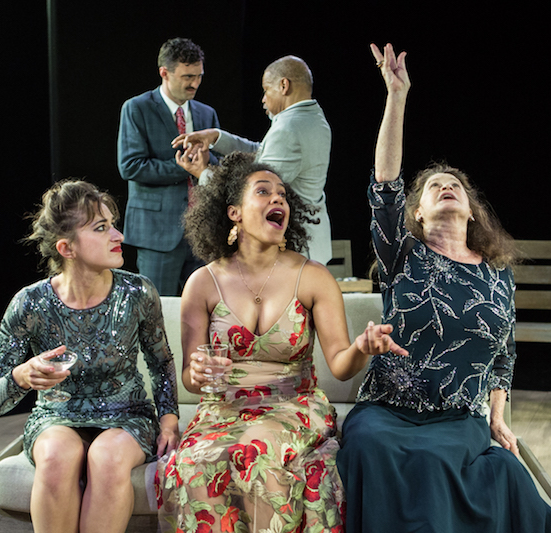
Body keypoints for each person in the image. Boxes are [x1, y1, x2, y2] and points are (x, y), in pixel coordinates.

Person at [334, 43, 551, 532]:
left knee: (450, 468)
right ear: (416, 213)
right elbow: (385, 183)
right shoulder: (403, 254)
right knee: (371, 448)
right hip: (388, 412)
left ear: (472, 209)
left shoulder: (496, 273)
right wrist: (397, 97)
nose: (446, 186)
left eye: (454, 183)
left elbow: (504, 356)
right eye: (433, 186)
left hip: (458, 420)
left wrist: (497, 417)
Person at [155, 152, 405, 532]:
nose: (278, 200)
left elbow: (339, 362)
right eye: (263, 192)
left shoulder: (313, 277)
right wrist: (198, 372)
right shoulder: (202, 283)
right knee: (195, 465)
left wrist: (361, 348)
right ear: (234, 212)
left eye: (283, 195)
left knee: (253, 453)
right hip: (221, 409)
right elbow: (191, 377)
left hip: (292, 404)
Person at [0, 180, 180, 533]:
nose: (118, 235)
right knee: (57, 457)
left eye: (113, 224)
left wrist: (168, 419)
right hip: (56, 416)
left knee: (107, 457)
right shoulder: (30, 304)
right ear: (66, 248)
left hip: (127, 415)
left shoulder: (137, 293)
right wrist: (21, 377)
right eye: (101, 228)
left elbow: (160, 362)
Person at [172, 55, 333, 265]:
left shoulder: (288, 128)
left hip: (292, 245)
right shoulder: (313, 119)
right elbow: (262, 152)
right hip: (310, 241)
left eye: (266, 90)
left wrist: (203, 173)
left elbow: (258, 187)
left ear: (284, 85)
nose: (263, 99)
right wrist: (216, 137)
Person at [117, 37, 221, 296]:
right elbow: (130, 166)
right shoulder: (137, 108)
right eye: (187, 76)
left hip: (202, 232)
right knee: (157, 311)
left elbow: (218, 163)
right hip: (158, 233)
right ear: (164, 73)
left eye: (199, 76)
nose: (195, 83)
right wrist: (185, 167)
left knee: (206, 312)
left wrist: (207, 163)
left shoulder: (206, 113)